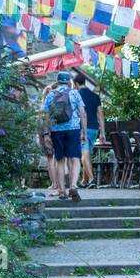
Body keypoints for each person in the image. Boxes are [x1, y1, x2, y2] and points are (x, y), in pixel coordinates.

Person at [41, 72, 87, 201]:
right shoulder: (74, 93)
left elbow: (44, 115)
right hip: (73, 129)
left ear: (58, 81)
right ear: (68, 82)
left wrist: (46, 134)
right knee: (75, 159)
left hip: (56, 131)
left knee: (59, 160)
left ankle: (62, 191)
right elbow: (83, 113)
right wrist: (83, 131)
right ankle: (73, 185)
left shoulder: (51, 94)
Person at [74, 74, 104, 189]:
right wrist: (102, 132)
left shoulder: (76, 95)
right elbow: (100, 114)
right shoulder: (95, 96)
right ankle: (84, 180)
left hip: (82, 129)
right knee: (87, 154)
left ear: (76, 84)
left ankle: (91, 179)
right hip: (94, 129)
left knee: (84, 153)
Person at [37, 86, 59, 198]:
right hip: (48, 133)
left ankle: (54, 183)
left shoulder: (43, 107)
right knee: (52, 158)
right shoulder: (49, 107)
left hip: (45, 133)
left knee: (51, 158)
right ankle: (55, 183)